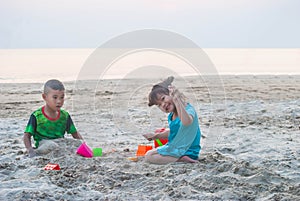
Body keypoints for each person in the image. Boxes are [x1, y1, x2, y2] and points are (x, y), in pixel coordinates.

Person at [143, 76, 201, 164]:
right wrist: (155, 136)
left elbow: (187, 122)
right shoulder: (171, 115)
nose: (163, 104)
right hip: (176, 148)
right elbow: (174, 132)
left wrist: (177, 100)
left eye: (163, 99)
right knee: (150, 153)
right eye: (159, 105)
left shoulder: (188, 109)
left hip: (188, 150)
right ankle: (179, 158)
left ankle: (182, 160)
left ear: (171, 93)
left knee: (149, 156)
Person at [23, 79, 83, 157]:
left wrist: (83, 145)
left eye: (62, 97)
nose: (59, 101)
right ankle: (37, 152)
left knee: (78, 144)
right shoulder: (36, 116)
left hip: (60, 142)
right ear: (44, 97)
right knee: (51, 146)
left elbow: (75, 134)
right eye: (55, 97)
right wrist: (30, 150)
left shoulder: (65, 115)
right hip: (44, 144)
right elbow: (26, 136)